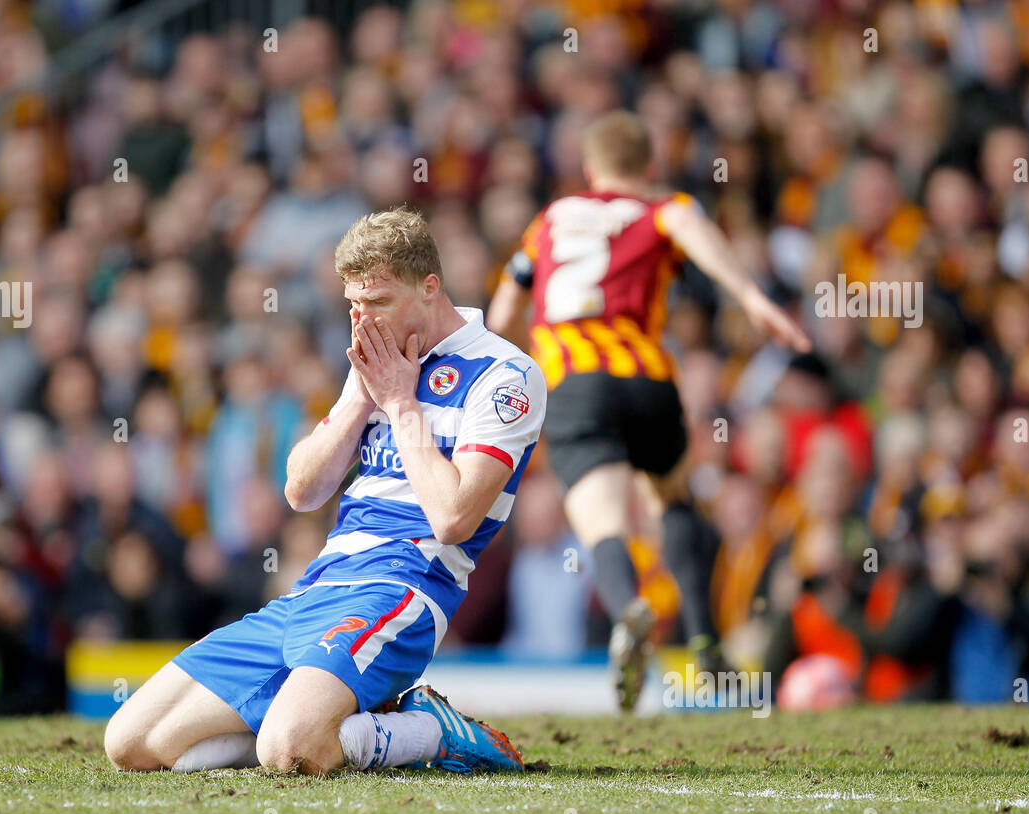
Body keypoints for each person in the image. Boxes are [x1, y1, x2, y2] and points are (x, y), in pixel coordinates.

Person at [104, 208, 546, 775]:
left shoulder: (505, 374)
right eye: (353, 305)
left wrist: (402, 404)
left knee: (289, 752)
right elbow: (302, 491)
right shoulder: (377, 361)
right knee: (131, 744)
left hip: (400, 588)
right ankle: (340, 714)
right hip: (317, 586)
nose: (364, 320)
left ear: (430, 287)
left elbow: (454, 519)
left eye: (379, 302)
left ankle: (436, 731)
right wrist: (363, 398)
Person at [487, 111, 812, 709]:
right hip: (648, 380)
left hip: (577, 385)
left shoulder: (553, 219)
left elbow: (505, 308)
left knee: (604, 522)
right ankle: (707, 644)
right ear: (649, 165)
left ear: (590, 169)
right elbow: (690, 225)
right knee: (674, 499)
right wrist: (750, 296)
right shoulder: (663, 208)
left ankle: (626, 610)